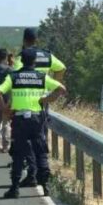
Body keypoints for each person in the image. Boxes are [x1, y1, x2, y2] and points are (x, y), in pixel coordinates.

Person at [0, 48, 66, 198]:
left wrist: (5, 109)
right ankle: (46, 186)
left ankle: (14, 188)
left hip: (19, 120)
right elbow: (61, 89)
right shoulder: (41, 77)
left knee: (18, 153)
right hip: (37, 118)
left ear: (22, 61)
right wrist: (45, 100)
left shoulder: (13, 76)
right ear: (35, 61)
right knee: (40, 151)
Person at [13, 27, 67, 185]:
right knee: (40, 138)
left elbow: (15, 77)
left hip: (25, 102)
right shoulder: (47, 56)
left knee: (26, 140)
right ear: (36, 40)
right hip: (43, 101)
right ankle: (41, 173)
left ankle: (33, 173)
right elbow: (62, 68)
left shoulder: (22, 57)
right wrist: (52, 88)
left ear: (24, 40)